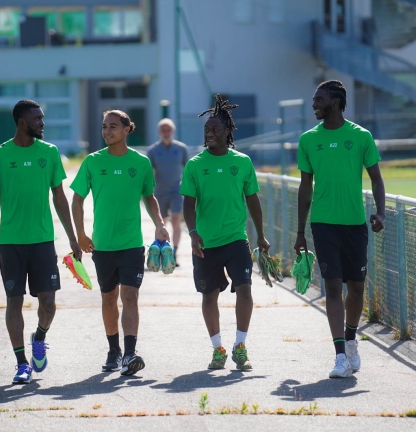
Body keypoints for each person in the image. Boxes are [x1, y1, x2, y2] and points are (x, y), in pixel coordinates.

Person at [0, 99, 81, 385]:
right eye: (37, 119)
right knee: (14, 301)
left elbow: (60, 197)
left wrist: (73, 237)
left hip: (43, 242)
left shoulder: (49, 152)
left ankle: (39, 338)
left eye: (42, 118)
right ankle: (22, 363)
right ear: (22, 122)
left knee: (48, 303)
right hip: (10, 243)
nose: (42, 123)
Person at [293, 80, 386, 379]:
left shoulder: (361, 137)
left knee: (356, 289)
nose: (314, 104)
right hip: (323, 224)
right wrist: (299, 232)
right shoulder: (308, 140)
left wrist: (380, 213)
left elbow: (377, 179)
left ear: (336, 101)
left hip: (355, 224)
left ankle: (350, 339)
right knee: (332, 287)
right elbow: (305, 188)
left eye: (318, 99)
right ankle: (340, 356)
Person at [71, 110, 169, 376]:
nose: (107, 131)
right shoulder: (92, 162)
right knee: (109, 299)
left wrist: (159, 224)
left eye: (113, 126)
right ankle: (113, 351)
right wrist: (80, 233)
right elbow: (77, 199)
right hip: (102, 245)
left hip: (131, 244)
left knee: (131, 296)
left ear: (127, 129)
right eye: (104, 127)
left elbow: (149, 197)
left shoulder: (141, 162)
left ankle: (130, 353)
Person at [181, 94, 270, 371]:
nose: (210, 133)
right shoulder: (195, 165)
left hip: (236, 239)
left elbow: (253, 200)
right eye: (207, 129)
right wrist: (193, 233)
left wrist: (261, 235)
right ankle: (218, 349)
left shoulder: (242, 162)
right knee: (210, 296)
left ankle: (240, 346)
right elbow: (188, 204)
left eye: (215, 129)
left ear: (227, 131)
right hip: (206, 243)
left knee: (244, 288)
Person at [146, 119, 188, 265]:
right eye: (163, 130)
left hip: (176, 191)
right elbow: (147, 173)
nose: (166, 133)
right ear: (159, 132)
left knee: (176, 221)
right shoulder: (153, 151)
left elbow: (188, 169)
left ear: (172, 131)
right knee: (161, 224)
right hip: (159, 193)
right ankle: (160, 251)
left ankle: (174, 253)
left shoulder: (181, 149)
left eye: (168, 130)